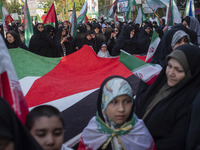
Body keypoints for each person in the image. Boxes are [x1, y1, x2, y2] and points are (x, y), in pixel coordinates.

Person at [134, 44, 200, 150]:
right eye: (169, 66)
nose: (170, 73)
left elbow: (176, 141)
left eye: (179, 70)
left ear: (190, 73)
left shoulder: (191, 101)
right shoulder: (159, 83)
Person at [78, 76, 155, 150]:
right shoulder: (93, 131)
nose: (121, 109)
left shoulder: (139, 132)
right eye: (114, 102)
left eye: (127, 101)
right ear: (104, 104)